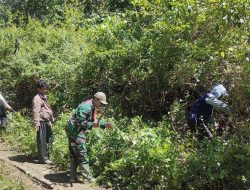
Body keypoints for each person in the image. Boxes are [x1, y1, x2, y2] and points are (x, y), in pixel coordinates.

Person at [65, 92, 111, 183]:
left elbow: (94, 121)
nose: (101, 105)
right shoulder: (85, 107)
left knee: (74, 154)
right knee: (82, 153)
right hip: (75, 131)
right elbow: (80, 122)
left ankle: (72, 177)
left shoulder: (93, 107)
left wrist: (104, 124)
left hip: (77, 130)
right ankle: (87, 178)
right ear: (96, 99)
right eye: (101, 103)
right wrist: (92, 124)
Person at [32, 80, 54, 164]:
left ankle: (47, 156)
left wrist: (50, 119)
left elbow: (48, 109)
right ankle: (43, 159)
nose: (45, 90)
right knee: (41, 140)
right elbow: (35, 111)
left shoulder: (44, 97)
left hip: (46, 121)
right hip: (41, 121)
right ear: (38, 89)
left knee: (50, 138)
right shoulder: (37, 98)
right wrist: (36, 123)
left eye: (45, 89)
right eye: (43, 89)